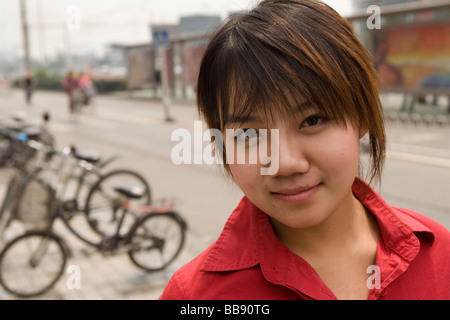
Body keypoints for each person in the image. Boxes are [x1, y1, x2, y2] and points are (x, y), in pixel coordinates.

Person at [159, 0, 450, 300]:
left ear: (362, 114)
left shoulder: (438, 253)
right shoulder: (195, 296)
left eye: (313, 120)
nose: (285, 163)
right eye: (249, 133)